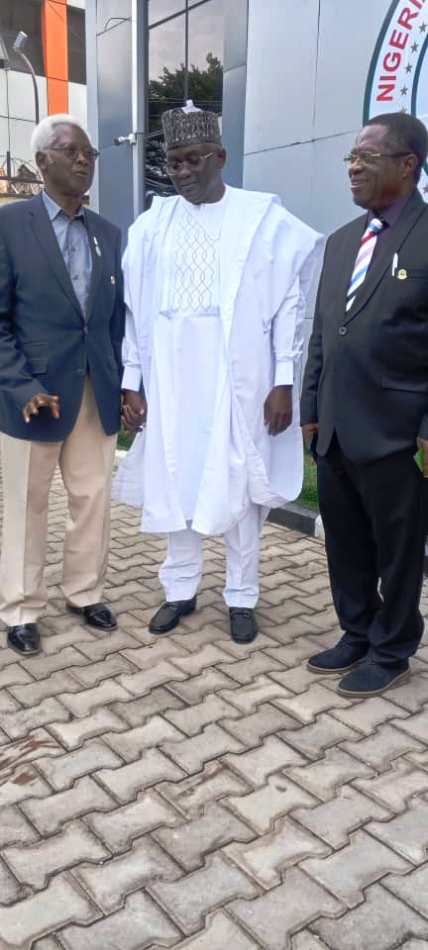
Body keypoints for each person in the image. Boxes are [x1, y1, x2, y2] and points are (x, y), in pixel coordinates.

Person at [114, 101, 322, 644]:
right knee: (176, 476)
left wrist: (283, 380)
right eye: (173, 162)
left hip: (240, 379)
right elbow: (135, 311)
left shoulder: (262, 219)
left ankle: (242, 595)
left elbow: (289, 305)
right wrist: (132, 382)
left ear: (221, 157)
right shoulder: (152, 225)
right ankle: (180, 589)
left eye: (193, 160)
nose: (182, 172)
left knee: (240, 484)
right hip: (172, 378)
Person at [301, 111, 428, 697]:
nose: (353, 167)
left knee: (398, 552)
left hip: (397, 432)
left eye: (367, 157)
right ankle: (357, 630)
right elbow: (324, 333)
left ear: (408, 165)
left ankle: (393, 649)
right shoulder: (340, 242)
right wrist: (310, 408)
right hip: (335, 427)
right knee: (345, 541)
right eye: (351, 157)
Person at [0, 114, 125, 656]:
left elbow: (112, 321)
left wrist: (124, 385)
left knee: (92, 498)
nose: (83, 160)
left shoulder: (108, 234)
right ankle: (21, 607)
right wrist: (20, 385)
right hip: (31, 396)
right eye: (70, 150)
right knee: (26, 504)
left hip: (94, 389)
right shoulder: (10, 225)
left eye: (89, 152)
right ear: (41, 161)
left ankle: (84, 592)